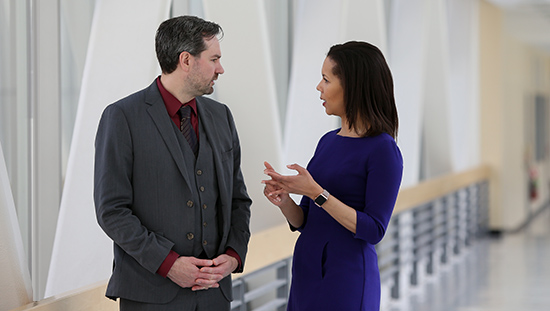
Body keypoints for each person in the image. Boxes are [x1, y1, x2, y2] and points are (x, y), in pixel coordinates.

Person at [94, 15, 252, 310]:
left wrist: (233, 255)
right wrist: (168, 264)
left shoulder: (222, 117)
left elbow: (238, 200)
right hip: (150, 295)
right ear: (186, 60)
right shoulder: (122, 117)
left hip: (214, 296)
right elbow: (112, 211)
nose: (221, 69)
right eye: (214, 59)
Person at [262, 41, 403, 311]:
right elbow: (305, 220)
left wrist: (317, 193)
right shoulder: (327, 141)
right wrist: (285, 200)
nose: (319, 87)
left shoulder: (383, 149)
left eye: (326, 79)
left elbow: (374, 229)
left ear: (353, 86)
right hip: (306, 270)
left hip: (345, 276)